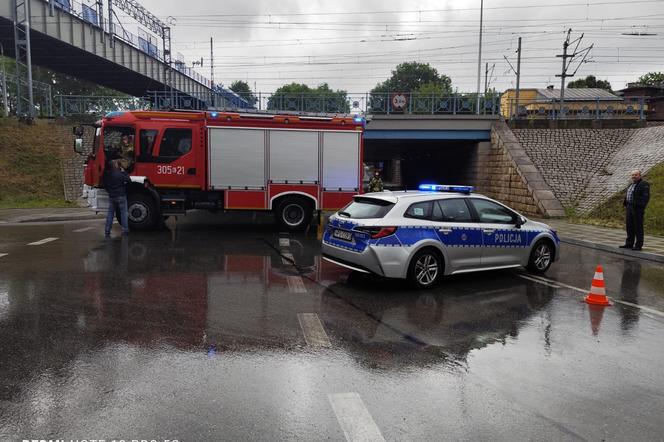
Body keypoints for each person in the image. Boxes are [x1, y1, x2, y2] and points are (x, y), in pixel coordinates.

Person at [620, 169, 650, 251]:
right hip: (629, 207)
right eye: (632, 175)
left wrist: (640, 207)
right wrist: (626, 204)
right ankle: (629, 244)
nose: (633, 176)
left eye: (635, 175)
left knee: (638, 227)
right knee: (629, 226)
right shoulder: (631, 184)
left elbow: (645, 197)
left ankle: (638, 245)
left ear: (640, 176)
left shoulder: (644, 184)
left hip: (637, 209)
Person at [102, 159, 131, 236]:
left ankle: (107, 230)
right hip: (121, 196)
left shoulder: (107, 175)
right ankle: (125, 230)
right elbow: (128, 180)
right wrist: (123, 171)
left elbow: (105, 184)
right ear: (116, 166)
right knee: (123, 213)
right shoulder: (120, 174)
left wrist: (109, 191)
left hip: (112, 196)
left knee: (110, 213)